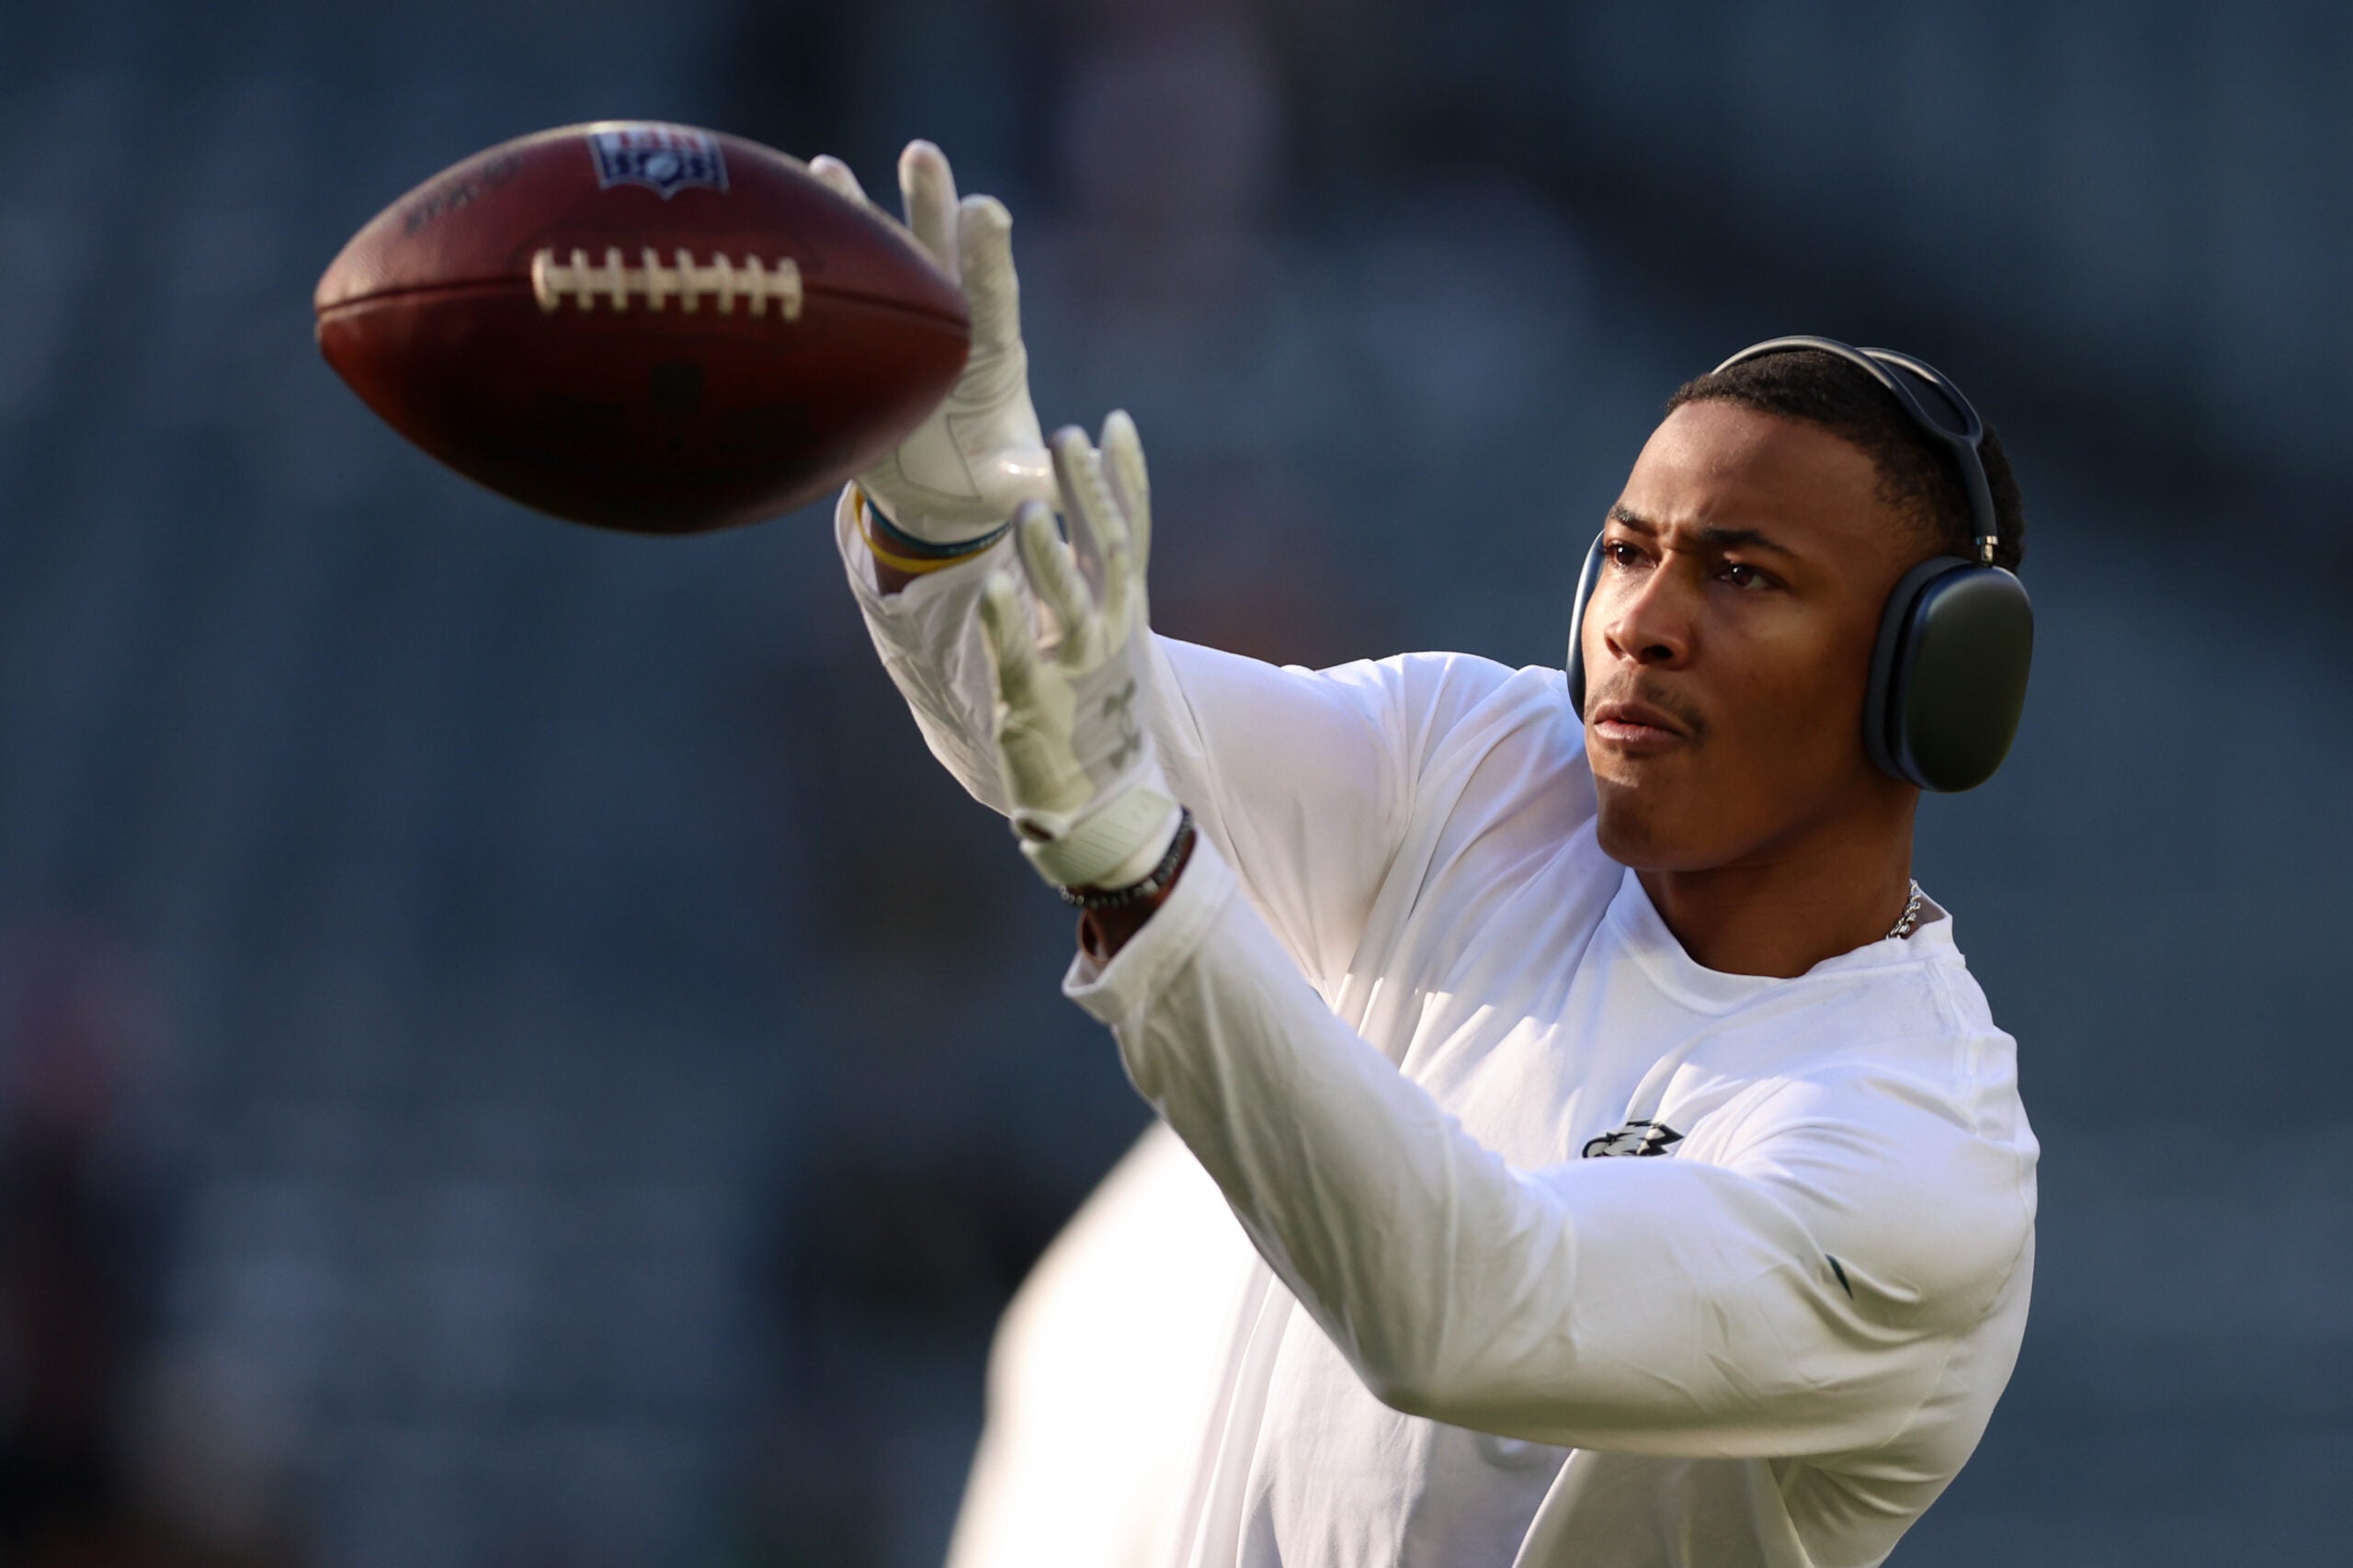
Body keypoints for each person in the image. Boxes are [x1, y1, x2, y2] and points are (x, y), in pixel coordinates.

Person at [809, 142, 2038, 1568]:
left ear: (1932, 679)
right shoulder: (1485, 759)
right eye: (1626, 552)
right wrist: (950, 538)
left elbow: (1468, 1314)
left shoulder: (1917, 1152)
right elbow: (1070, 719)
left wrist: (1144, 876)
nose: (1639, 622)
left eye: (1743, 573)